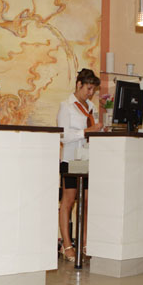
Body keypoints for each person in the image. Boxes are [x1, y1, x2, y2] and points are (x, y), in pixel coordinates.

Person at [57, 68, 103, 262]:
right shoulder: (66, 106)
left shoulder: (91, 107)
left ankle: (84, 242)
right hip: (70, 160)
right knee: (68, 202)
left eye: (93, 90)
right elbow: (63, 136)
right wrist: (86, 131)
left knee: (86, 202)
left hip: (87, 159)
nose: (90, 93)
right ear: (79, 85)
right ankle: (67, 245)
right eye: (88, 89)